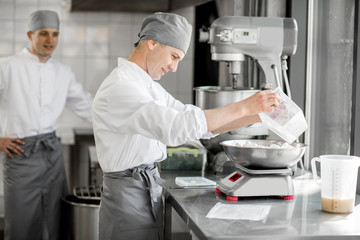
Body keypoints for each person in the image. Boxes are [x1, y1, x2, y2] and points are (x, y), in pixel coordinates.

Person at [92, 12, 280, 240]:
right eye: (173, 56)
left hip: (145, 189)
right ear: (152, 43)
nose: (174, 67)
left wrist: (257, 116)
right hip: (128, 196)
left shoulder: (146, 85)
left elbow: (196, 121)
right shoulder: (121, 87)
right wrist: (243, 106)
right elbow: (175, 128)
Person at [0, 10, 93, 240]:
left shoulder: (63, 72)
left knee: (55, 218)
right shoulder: (7, 67)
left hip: (52, 153)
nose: (50, 40)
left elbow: (88, 106)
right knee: (21, 223)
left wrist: (125, 121)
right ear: (30, 34)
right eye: (43, 34)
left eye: (55, 34)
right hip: (20, 152)